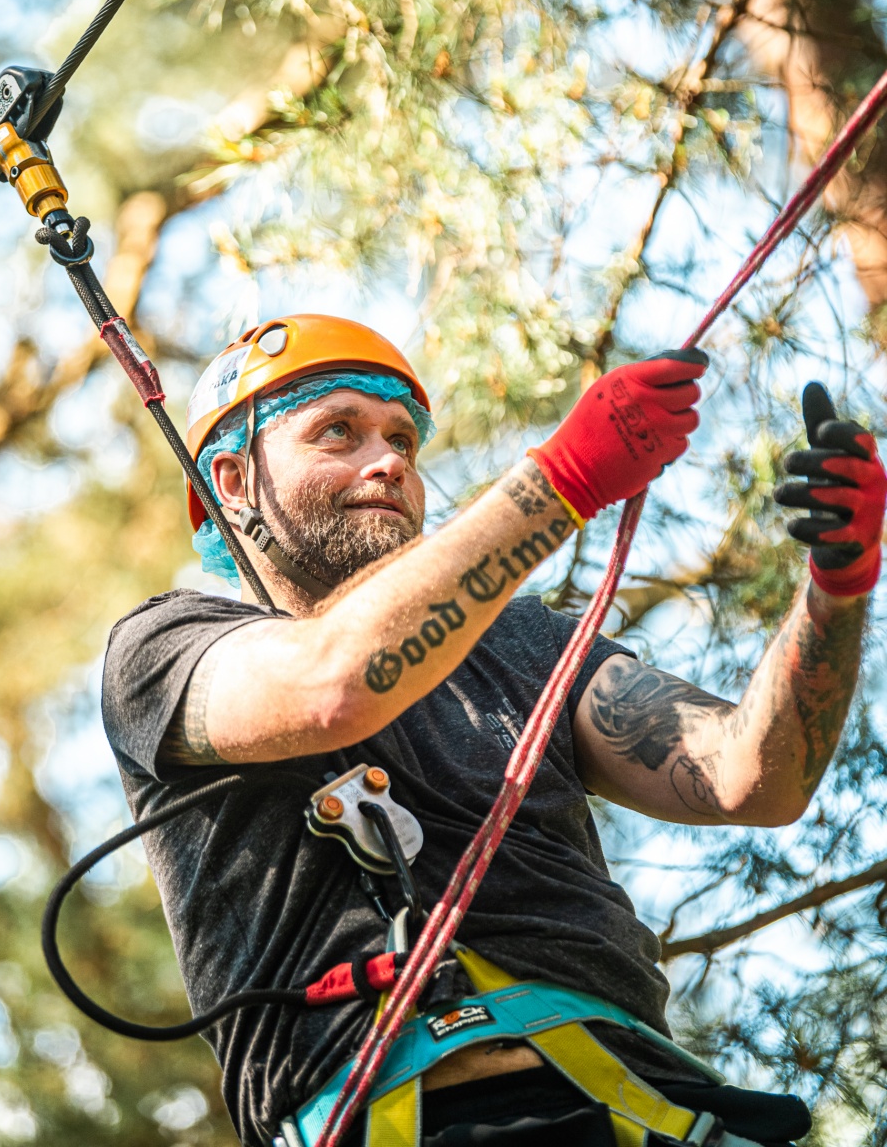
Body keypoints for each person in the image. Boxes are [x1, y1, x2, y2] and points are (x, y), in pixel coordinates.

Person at [101, 314, 887, 1147]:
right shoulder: (163, 651)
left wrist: (835, 590)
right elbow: (333, 685)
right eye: (338, 431)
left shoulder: (523, 643)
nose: (389, 461)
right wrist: (563, 479)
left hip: (648, 1107)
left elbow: (748, 777)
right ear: (231, 480)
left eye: (403, 440)